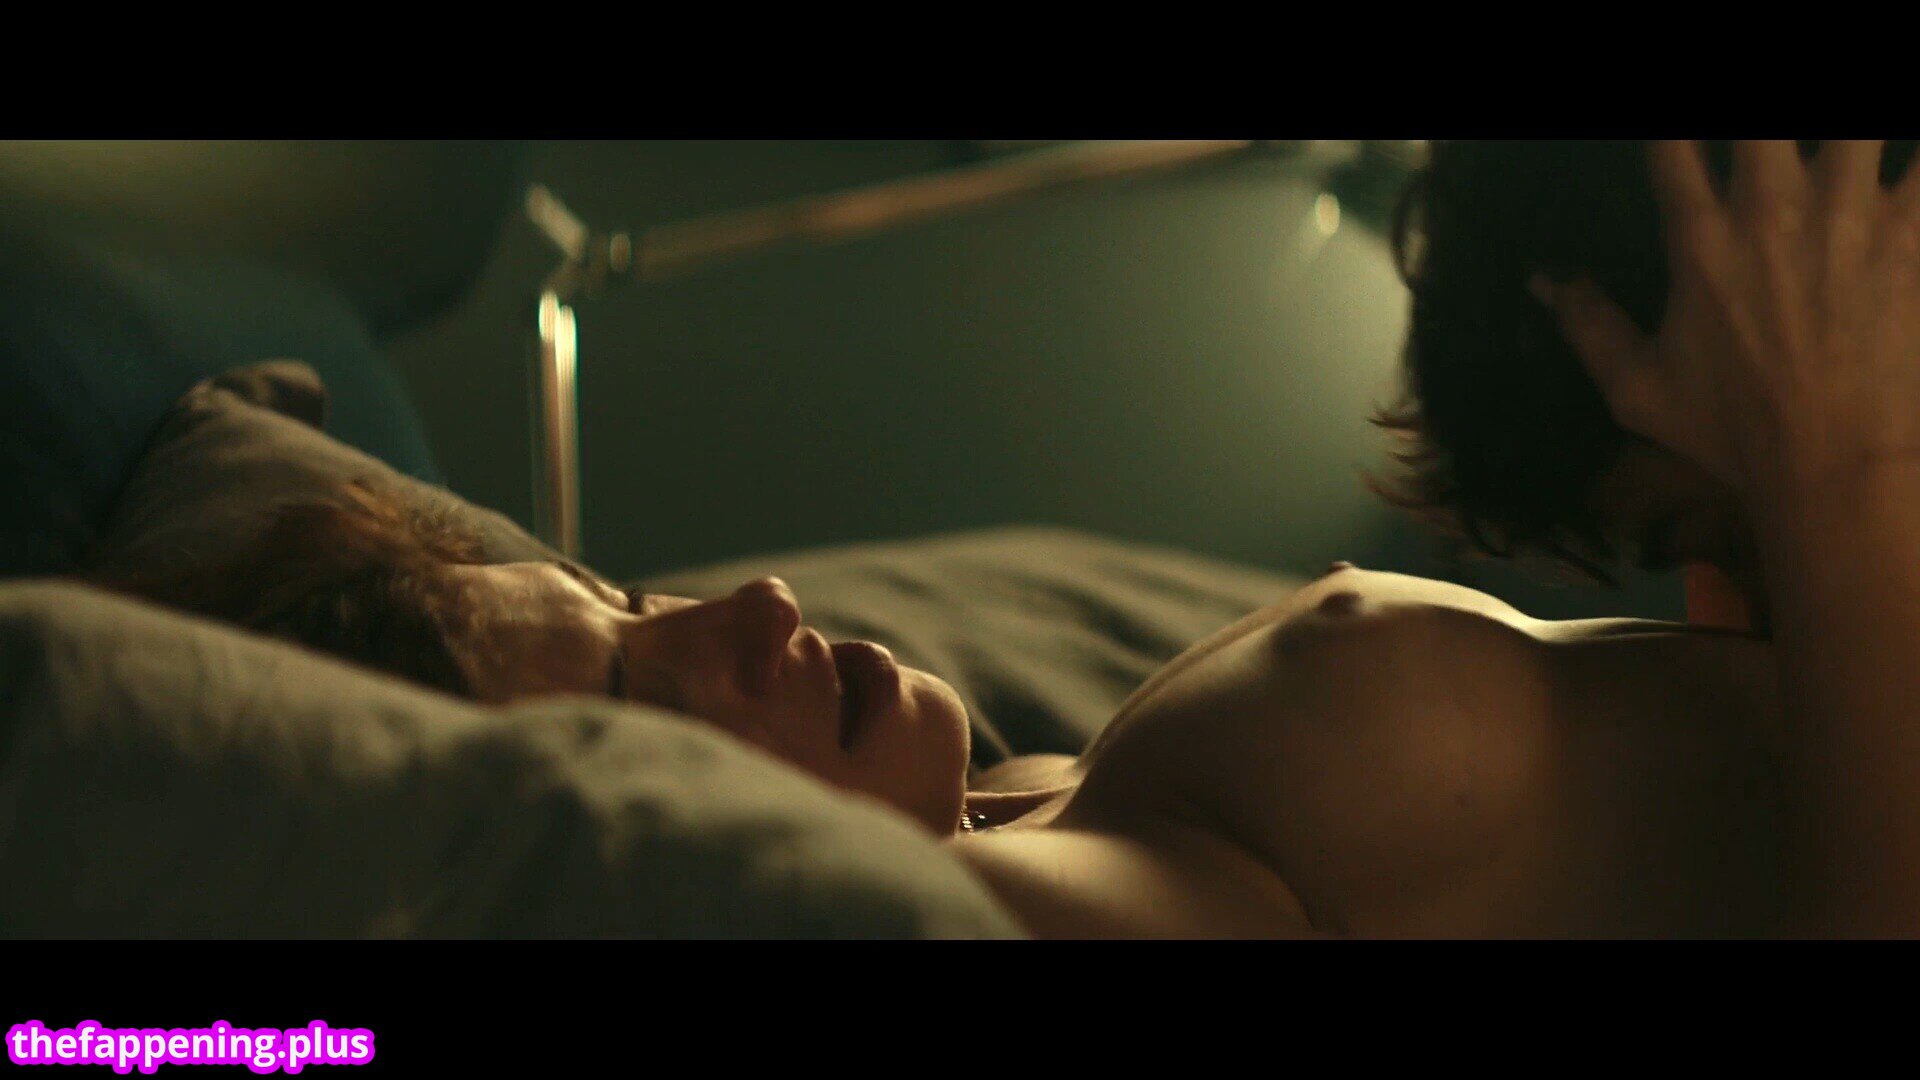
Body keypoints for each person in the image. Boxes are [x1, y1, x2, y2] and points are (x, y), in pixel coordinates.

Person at [102, 142, 1920, 938]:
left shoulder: (1021, 812)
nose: (756, 604)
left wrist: (1747, 519)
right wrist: (1840, 476)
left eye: (635, 595)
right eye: (643, 684)